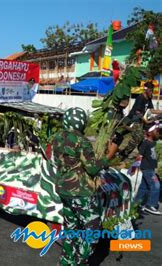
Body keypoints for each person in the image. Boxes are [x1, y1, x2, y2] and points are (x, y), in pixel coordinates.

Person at [51, 107, 109, 265]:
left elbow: (55, 161)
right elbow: (92, 168)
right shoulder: (81, 140)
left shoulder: (56, 138)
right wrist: (107, 158)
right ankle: (79, 261)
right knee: (93, 230)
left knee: (71, 228)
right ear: (82, 122)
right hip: (81, 191)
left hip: (64, 189)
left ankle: (66, 261)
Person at [119, 81, 162, 158]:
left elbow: (152, 110)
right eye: (150, 90)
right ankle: (124, 153)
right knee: (138, 136)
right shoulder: (140, 98)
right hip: (133, 119)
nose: (151, 92)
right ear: (146, 90)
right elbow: (137, 111)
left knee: (139, 138)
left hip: (140, 121)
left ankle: (129, 153)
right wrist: (145, 120)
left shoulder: (148, 99)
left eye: (152, 90)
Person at [134, 124, 160, 215]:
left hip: (151, 168)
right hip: (146, 168)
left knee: (143, 187)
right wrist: (135, 166)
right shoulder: (145, 143)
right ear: (150, 132)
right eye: (157, 131)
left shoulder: (154, 143)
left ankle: (136, 205)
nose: (159, 133)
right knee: (156, 185)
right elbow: (139, 155)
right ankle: (150, 204)